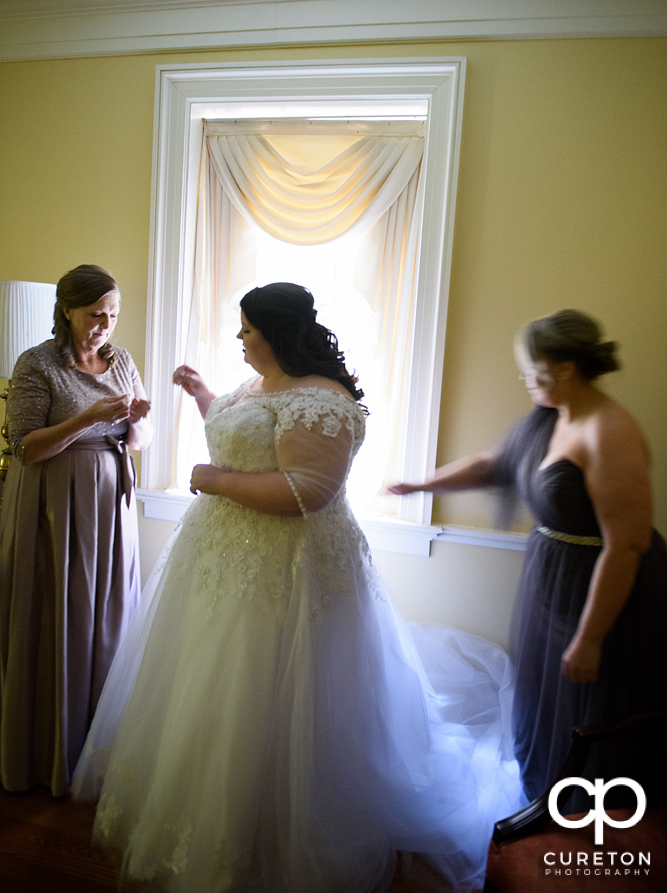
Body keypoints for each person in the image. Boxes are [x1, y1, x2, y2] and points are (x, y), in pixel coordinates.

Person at [73, 282, 524, 893]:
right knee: (211, 692)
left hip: (289, 571)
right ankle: (214, 818)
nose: (239, 338)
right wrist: (204, 393)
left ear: (276, 332)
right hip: (221, 562)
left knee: (277, 697)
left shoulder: (325, 400)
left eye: (247, 329)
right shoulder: (260, 386)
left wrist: (209, 478)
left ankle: (274, 832)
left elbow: (302, 492)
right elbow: (246, 436)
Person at [389, 309, 667, 805]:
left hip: (602, 597)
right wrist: (419, 484)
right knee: (545, 698)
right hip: (552, 582)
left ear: (563, 368)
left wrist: (590, 638)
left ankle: (588, 820)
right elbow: (493, 465)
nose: (523, 377)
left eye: (531, 366)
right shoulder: (550, 418)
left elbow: (626, 545)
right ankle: (545, 795)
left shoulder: (609, 430)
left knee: (589, 703)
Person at [0, 264, 152, 797]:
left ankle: (101, 746)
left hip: (112, 506)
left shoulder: (122, 359)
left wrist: (137, 420)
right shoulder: (36, 363)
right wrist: (88, 418)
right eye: (95, 315)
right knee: (60, 616)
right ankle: (49, 751)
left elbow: (140, 440)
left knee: (107, 619)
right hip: (54, 506)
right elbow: (26, 446)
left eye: (112, 315)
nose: (105, 326)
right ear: (67, 310)